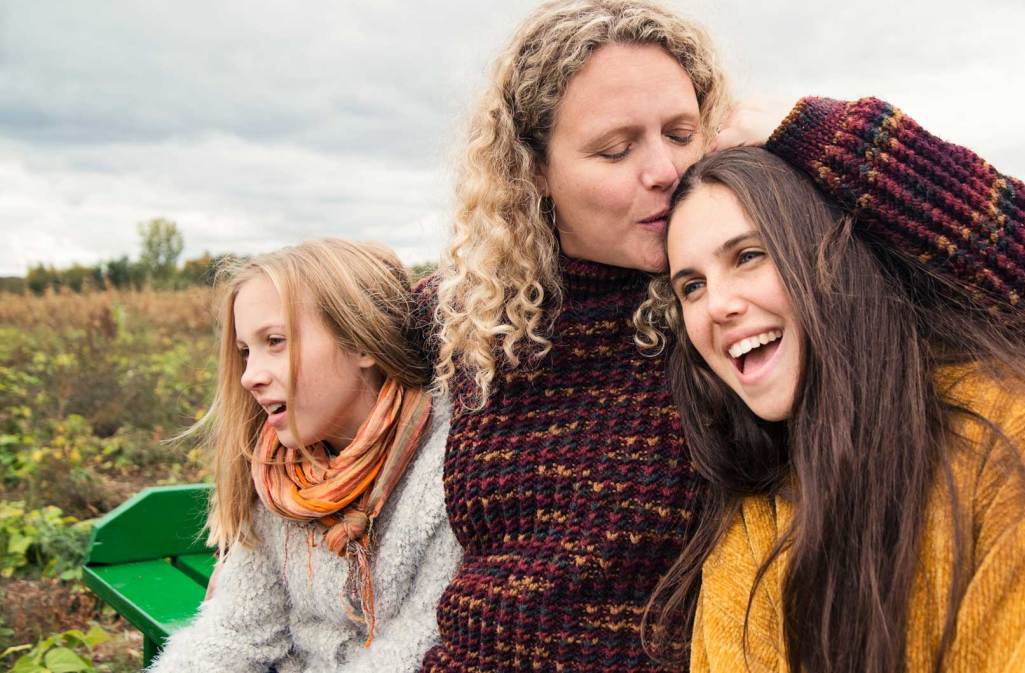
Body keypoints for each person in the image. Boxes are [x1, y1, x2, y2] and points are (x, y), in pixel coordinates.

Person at [652, 98, 1025, 673]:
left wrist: (811, 131)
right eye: (691, 286)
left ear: (831, 255)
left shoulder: (1013, 433)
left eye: (749, 255)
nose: (718, 305)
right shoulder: (753, 511)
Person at [415, 1, 734, 670]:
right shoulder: (477, 310)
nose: (665, 172)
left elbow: (1013, 275)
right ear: (533, 168)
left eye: (681, 132)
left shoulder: (737, 308)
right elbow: (321, 327)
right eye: (616, 149)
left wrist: (799, 129)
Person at [148, 239, 460, 673]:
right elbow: (239, 630)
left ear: (362, 342)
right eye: (245, 351)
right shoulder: (280, 474)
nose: (249, 376)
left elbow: (420, 649)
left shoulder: (452, 468)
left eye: (274, 341)